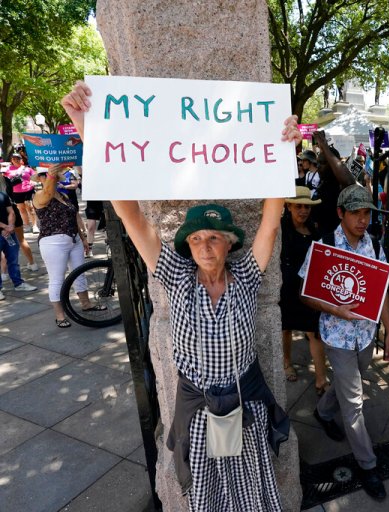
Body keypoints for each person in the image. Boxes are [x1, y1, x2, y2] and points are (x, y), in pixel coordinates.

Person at [61, 80, 300, 510]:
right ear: (186, 246)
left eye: (215, 238)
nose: (205, 246)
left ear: (230, 243)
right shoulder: (174, 273)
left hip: (246, 405)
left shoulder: (246, 273)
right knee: (206, 497)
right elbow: (130, 215)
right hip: (199, 409)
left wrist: (285, 150)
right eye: (196, 240)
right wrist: (90, 133)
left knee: (253, 496)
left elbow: (271, 218)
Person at [299, 184, 389, 502]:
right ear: (341, 213)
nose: (363, 219)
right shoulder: (325, 245)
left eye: (367, 212)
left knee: (345, 386)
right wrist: (335, 308)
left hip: (365, 336)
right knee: (354, 403)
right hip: (337, 337)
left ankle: (323, 412)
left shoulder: (376, 244)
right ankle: (368, 465)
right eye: (356, 212)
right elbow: (307, 294)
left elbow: (381, 293)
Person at [32, 166, 96, 327]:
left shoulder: (63, 195)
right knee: (57, 279)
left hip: (73, 239)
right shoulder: (39, 196)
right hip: (53, 242)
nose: (46, 177)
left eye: (48, 175)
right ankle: (60, 316)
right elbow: (47, 194)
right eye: (43, 175)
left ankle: (86, 304)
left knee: (79, 273)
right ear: (39, 178)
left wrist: (83, 238)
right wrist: (51, 175)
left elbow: (75, 216)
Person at [280, 186, 328, 395]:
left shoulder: (314, 231)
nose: (303, 211)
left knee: (314, 332)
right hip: (287, 286)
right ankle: (286, 363)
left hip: (308, 289)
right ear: (289, 207)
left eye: (306, 207)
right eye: (298, 206)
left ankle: (321, 379)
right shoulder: (281, 228)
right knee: (286, 328)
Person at [309, 130, 356, 234]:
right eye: (318, 163)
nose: (319, 167)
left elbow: (349, 183)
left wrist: (325, 147)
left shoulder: (340, 187)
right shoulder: (322, 184)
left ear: (333, 164)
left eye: (323, 163)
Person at [0, 176, 37, 300]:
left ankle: (18, 283)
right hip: (5, 231)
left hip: (9, 232)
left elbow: (11, 212)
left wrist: (10, 226)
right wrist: (6, 227)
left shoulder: (2, 195)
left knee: (13, 260)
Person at [3, 152, 38, 233]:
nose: (15, 160)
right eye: (13, 158)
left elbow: (35, 177)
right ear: (11, 160)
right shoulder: (8, 169)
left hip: (28, 190)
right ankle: (27, 225)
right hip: (16, 192)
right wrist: (4, 164)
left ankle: (35, 225)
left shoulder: (27, 169)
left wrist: (34, 182)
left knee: (30, 207)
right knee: (21, 209)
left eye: (17, 158)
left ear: (21, 160)